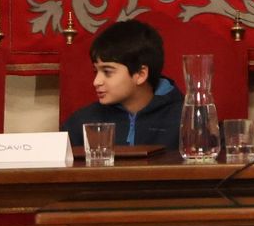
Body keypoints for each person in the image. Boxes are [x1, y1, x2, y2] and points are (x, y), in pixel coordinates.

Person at [62, 20, 182, 149]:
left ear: (141, 75)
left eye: (107, 72)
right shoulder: (81, 123)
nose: (96, 82)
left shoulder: (186, 119)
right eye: (96, 71)